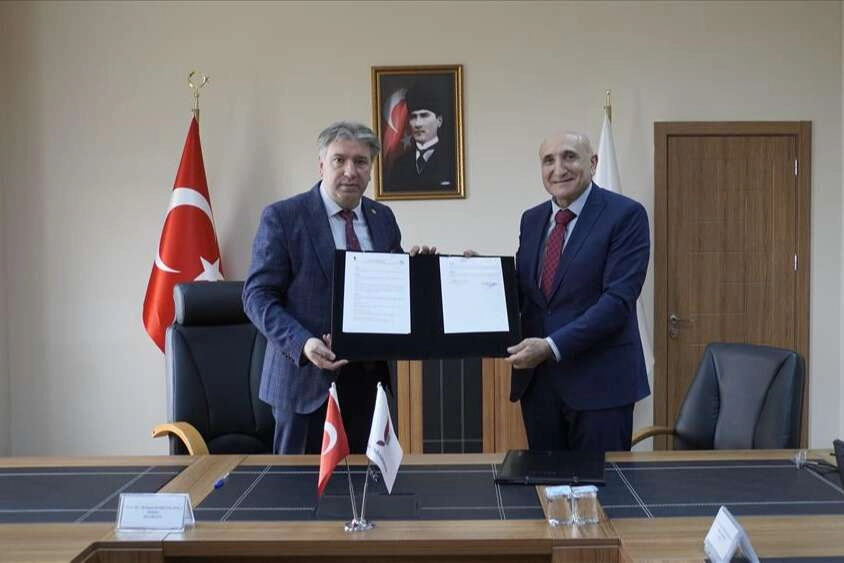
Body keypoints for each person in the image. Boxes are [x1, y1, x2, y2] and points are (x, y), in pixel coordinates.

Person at [243, 121, 432, 455]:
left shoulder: (382, 217)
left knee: (365, 482)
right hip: (303, 383)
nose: (350, 171)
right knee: (297, 485)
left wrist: (417, 271)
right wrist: (303, 343)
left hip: (368, 382)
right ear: (321, 165)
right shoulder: (284, 217)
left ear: (371, 170)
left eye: (360, 162)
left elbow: (389, 290)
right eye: (339, 160)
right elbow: (256, 297)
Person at [506, 130, 650, 453]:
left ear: (593, 163)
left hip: (601, 387)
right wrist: (479, 278)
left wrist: (551, 346)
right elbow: (526, 291)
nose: (559, 169)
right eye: (548, 160)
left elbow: (617, 302)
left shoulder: (626, 215)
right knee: (545, 481)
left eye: (569, 157)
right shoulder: (532, 220)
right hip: (540, 387)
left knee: (602, 483)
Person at [387, 87, 454, 191]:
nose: (418, 124)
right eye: (413, 117)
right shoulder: (400, 165)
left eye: (424, 115)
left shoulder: (452, 161)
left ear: (439, 121)